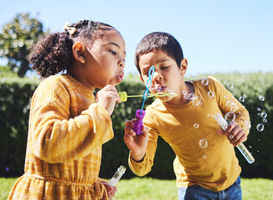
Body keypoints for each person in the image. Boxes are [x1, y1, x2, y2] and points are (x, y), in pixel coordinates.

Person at [124, 32, 251, 199]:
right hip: (193, 188)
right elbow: (142, 169)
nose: (156, 76)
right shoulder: (152, 116)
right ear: (143, 80)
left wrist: (240, 127)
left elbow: (240, 112)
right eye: (149, 72)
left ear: (182, 67)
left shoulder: (210, 88)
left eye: (164, 66)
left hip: (232, 181)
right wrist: (138, 153)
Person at [8, 20, 126, 200]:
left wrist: (91, 185)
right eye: (113, 51)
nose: (121, 63)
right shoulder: (56, 86)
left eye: (123, 58)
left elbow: (72, 158)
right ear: (80, 53)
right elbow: (48, 143)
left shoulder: (90, 98)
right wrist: (100, 113)